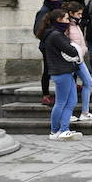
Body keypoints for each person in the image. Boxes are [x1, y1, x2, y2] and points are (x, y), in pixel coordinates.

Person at [36, 9, 83, 141]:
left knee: (71, 101)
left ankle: (63, 129)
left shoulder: (56, 34)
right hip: (61, 72)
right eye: (67, 19)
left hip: (66, 71)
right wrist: (74, 47)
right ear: (59, 20)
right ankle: (57, 130)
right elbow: (71, 51)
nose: (69, 21)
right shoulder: (55, 35)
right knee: (61, 102)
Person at [62, 1, 92, 119]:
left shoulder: (76, 25)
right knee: (69, 86)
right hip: (70, 59)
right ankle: (67, 114)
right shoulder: (67, 26)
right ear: (71, 13)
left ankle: (85, 112)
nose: (80, 16)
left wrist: (83, 51)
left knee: (88, 82)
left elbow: (81, 41)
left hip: (79, 59)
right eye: (78, 14)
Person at [34, 0, 63, 105]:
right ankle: (45, 94)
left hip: (58, 44)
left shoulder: (56, 8)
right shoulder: (44, 11)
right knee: (48, 69)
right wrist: (53, 37)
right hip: (48, 45)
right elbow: (38, 30)